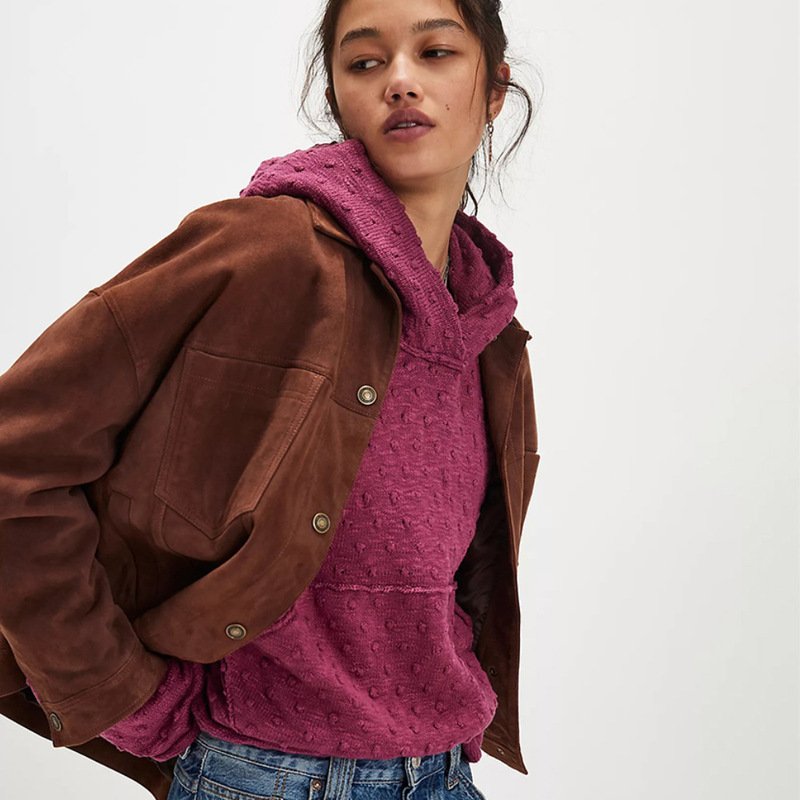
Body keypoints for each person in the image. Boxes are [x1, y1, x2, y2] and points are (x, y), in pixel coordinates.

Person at [0, 1, 541, 798]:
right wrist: (125, 700)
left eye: (435, 53)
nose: (399, 81)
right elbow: (18, 457)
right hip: (264, 775)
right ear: (338, 97)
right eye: (365, 62)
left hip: (440, 772)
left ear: (494, 90)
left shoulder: (489, 328)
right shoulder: (263, 247)